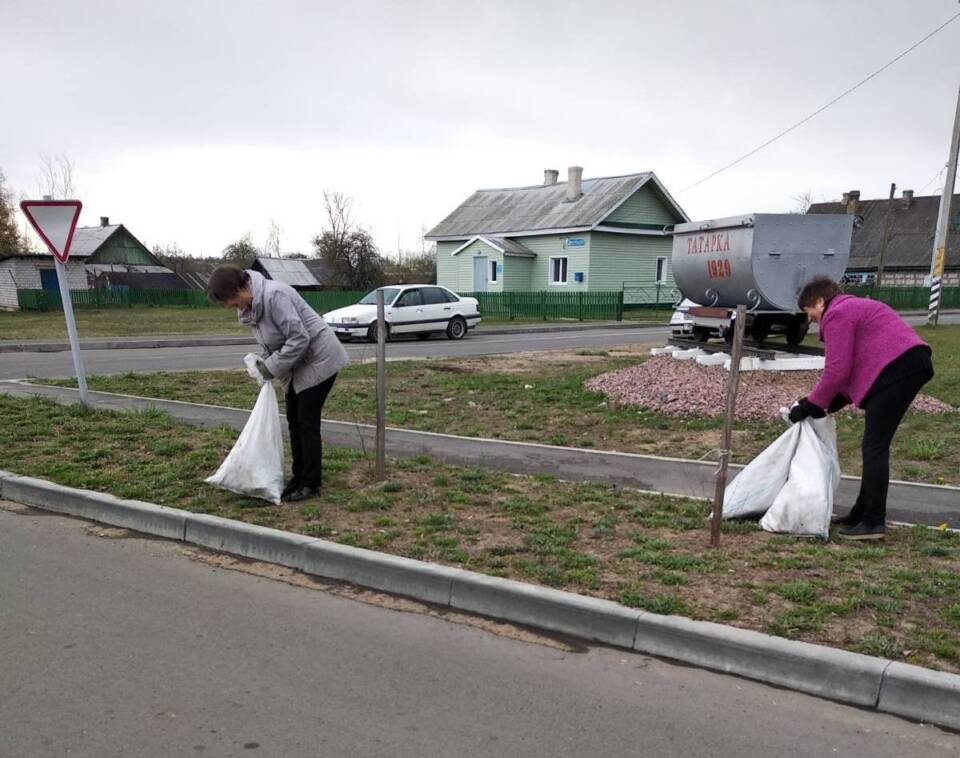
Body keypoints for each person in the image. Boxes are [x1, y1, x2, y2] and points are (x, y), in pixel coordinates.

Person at [788, 276, 933, 540]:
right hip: (907, 366)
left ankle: (873, 521)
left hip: (898, 370)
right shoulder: (853, 308)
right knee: (875, 445)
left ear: (820, 301)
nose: (810, 319)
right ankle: (861, 512)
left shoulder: (837, 314)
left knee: (874, 446)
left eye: (809, 311)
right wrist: (824, 405)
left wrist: (811, 404)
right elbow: (851, 373)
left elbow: (837, 370)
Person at [207, 265, 349, 503]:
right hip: (297, 364)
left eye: (228, 299)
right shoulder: (251, 309)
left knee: (306, 422)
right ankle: (299, 478)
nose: (228, 306)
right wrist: (264, 366)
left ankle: (311, 484)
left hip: (319, 360)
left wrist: (270, 367)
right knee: (294, 420)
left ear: (239, 288)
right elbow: (272, 343)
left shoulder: (275, 295)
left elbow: (299, 337)